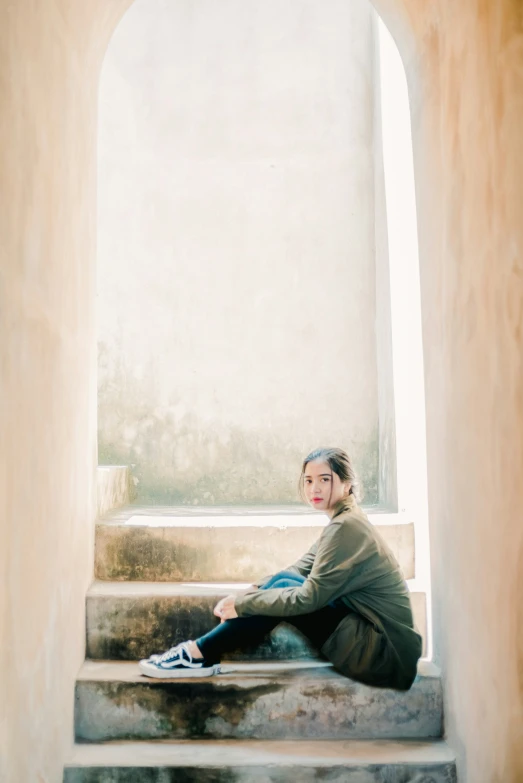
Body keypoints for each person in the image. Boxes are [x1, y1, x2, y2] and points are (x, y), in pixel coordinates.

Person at [139, 447, 422, 691]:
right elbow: (302, 566)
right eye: (309, 480)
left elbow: (307, 598)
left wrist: (245, 605)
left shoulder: (346, 527)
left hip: (384, 655)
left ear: (347, 483)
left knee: (287, 587)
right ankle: (199, 652)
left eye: (325, 480)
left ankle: (197, 653)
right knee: (284, 580)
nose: (315, 489)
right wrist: (255, 590)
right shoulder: (347, 519)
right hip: (385, 646)